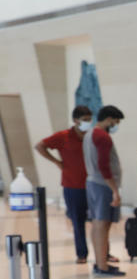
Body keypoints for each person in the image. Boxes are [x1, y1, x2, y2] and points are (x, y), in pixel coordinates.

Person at [35, 105, 93, 264]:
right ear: (75, 120)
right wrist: (56, 162)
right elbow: (40, 146)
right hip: (73, 185)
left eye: (90, 120)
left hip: (93, 185)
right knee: (78, 222)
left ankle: (104, 254)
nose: (88, 123)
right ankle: (82, 254)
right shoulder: (63, 136)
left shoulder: (92, 136)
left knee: (100, 221)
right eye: (85, 120)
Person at [82, 104, 125, 277]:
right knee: (102, 224)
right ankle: (102, 266)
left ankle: (100, 262)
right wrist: (114, 190)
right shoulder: (102, 137)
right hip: (102, 185)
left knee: (97, 224)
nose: (116, 125)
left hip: (92, 182)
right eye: (115, 122)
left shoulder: (90, 134)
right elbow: (104, 165)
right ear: (108, 119)